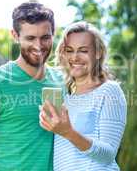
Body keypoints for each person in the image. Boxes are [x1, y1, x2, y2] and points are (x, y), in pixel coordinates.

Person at [0, 0, 63, 171]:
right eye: (30, 38)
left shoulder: (63, 82)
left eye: (45, 37)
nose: (38, 46)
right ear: (15, 36)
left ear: (53, 34)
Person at [39, 21, 127, 171]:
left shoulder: (110, 91)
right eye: (69, 50)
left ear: (98, 52)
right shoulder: (65, 99)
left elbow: (108, 154)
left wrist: (69, 133)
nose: (75, 57)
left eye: (83, 51)